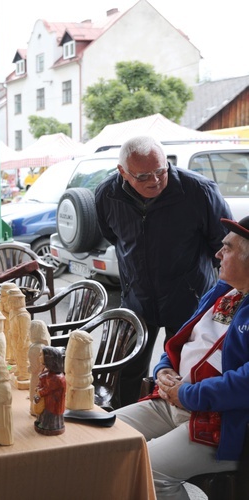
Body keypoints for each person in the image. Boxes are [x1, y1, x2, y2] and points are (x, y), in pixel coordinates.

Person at [114, 215, 249, 499]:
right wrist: (164, 369)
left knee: (146, 469)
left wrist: (187, 394)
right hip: (174, 400)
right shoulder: (222, 291)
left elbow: (245, 384)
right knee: (101, 439)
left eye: (228, 247)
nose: (218, 253)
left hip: (224, 423)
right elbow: (181, 341)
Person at [95, 135, 231, 407]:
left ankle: (172, 429)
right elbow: (114, 237)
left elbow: (225, 246)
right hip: (137, 299)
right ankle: (126, 425)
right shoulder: (107, 194)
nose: (155, 180)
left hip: (189, 300)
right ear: (123, 172)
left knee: (181, 372)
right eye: (143, 175)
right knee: (127, 370)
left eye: (161, 170)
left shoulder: (198, 191)